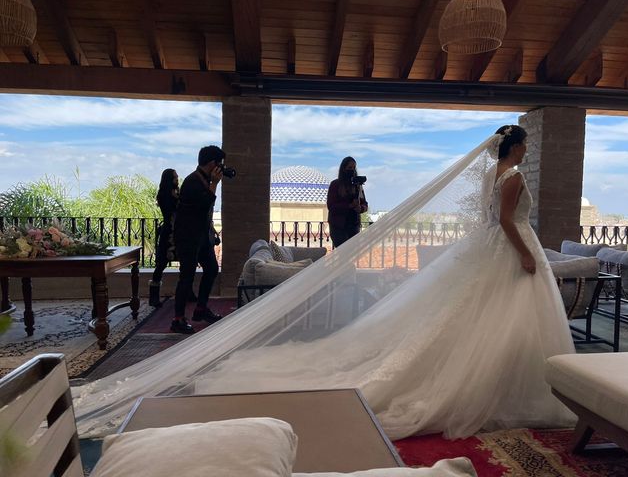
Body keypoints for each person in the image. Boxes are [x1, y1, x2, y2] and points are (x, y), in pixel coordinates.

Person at [73, 127, 577, 441]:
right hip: (509, 250)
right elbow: (509, 222)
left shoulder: (493, 174)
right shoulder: (510, 177)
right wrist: (524, 257)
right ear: (517, 147)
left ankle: (501, 374)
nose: (530, 148)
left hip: (489, 250)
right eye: (527, 143)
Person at [171, 146, 225, 334]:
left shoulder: (204, 179)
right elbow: (203, 205)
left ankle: (201, 309)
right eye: (220, 163)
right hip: (188, 237)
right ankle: (177, 319)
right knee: (186, 276)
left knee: (211, 268)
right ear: (212, 163)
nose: (221, 167)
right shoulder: (192, 181)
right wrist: (215, 184)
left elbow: (205, 212)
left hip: (202, 236)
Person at [148, 169, 179, 308]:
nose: (177, 178)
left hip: (177, 231)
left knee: (184, 261)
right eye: (175, 176)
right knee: (161, 263)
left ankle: (187, 291)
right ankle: (153, 297)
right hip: (169, 232)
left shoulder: (175, 193)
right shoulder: (164, 195)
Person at [327, 156, 368, 247]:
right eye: (349, 168)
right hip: (338, 226)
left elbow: (364, 204)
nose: (352, 170)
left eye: (354, 168)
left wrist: (360, 208)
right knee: (343, 254)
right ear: (343, 168)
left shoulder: (357, 185)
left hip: (353, 226)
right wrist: (349, 206)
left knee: (352, 254)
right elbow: (331, 206)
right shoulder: (335, 185)